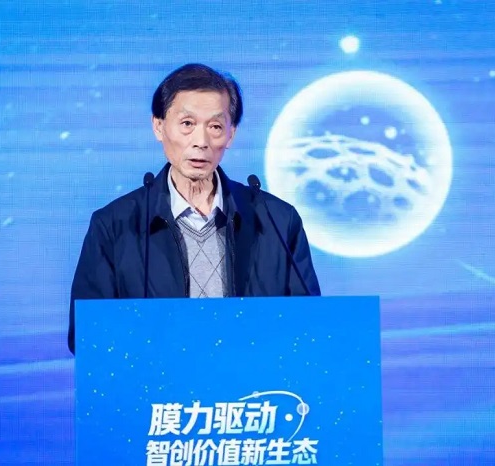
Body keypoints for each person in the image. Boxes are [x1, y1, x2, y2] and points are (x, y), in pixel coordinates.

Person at [67, 63, 320, 354]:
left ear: (231, 134)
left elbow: (309, 328)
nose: (201, 142)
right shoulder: (114, 225)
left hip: (252, 380)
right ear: (159, 126)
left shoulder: (278, 221)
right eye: (187, 124)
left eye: (215, 127)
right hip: (158, 381)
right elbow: (88, 338)